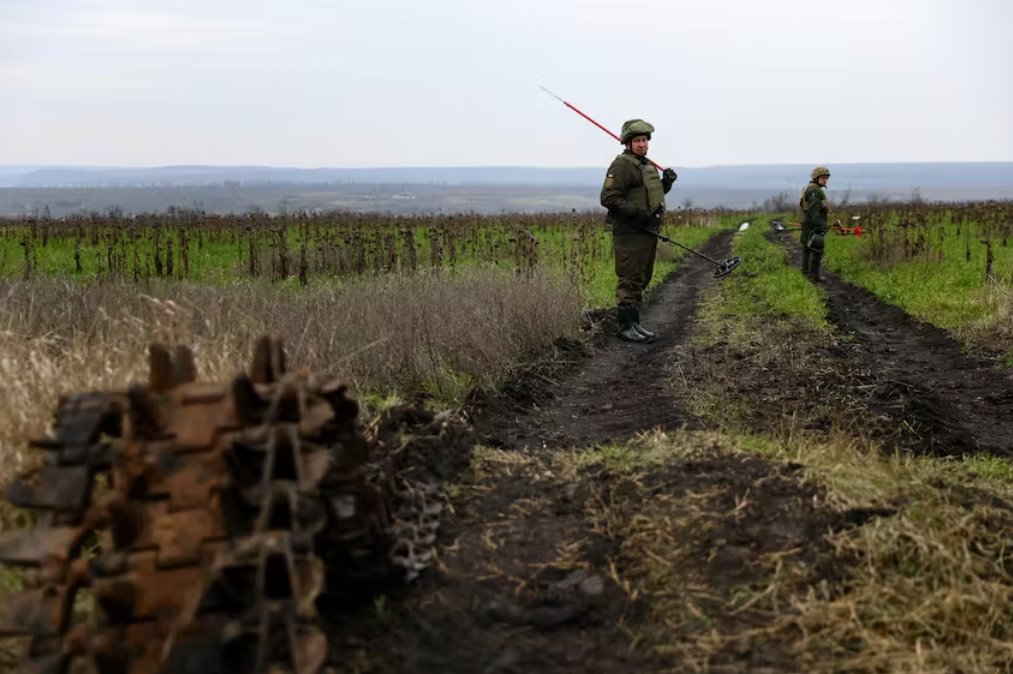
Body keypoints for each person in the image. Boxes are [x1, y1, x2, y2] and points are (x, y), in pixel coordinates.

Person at [600, 119, 677, 342]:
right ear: (627, 143)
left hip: (646, 231)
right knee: (629, 278)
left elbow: (648, 195)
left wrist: (666, 184)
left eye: (644, 140)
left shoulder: (644, 164)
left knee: (642, 278)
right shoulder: (622, 166)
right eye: (637, 141)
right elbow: (609, 198)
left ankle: (635, 323)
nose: (642, 144)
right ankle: (625, 327)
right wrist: (638, 215)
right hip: (630, 231)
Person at [799, 166, 832, 281]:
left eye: (826, 178)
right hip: (813, 225)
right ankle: (814, 276)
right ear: (816, 178)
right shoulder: (815, 191)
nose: (825, 180)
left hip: (807, 224)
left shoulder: (810, 188)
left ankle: (805, 275)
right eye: (823, 177)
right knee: (817, 250)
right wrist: (820, 225)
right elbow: (814, 211)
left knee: (807, 249)